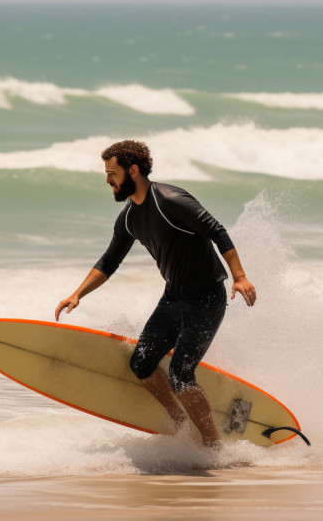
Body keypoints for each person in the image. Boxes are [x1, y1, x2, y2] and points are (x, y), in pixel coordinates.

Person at [55, 140, 256, 447]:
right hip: (174, 298)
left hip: (206, 297)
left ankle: (213, 446)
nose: (107, 180)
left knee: (181, 372)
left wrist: (239, 277)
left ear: (132, 170)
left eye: (112, 173)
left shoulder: (171, 199)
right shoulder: (128, 217)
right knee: (142, 364)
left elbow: (216, 230)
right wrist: (77, 294)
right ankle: (181, 424)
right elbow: (109, 261)